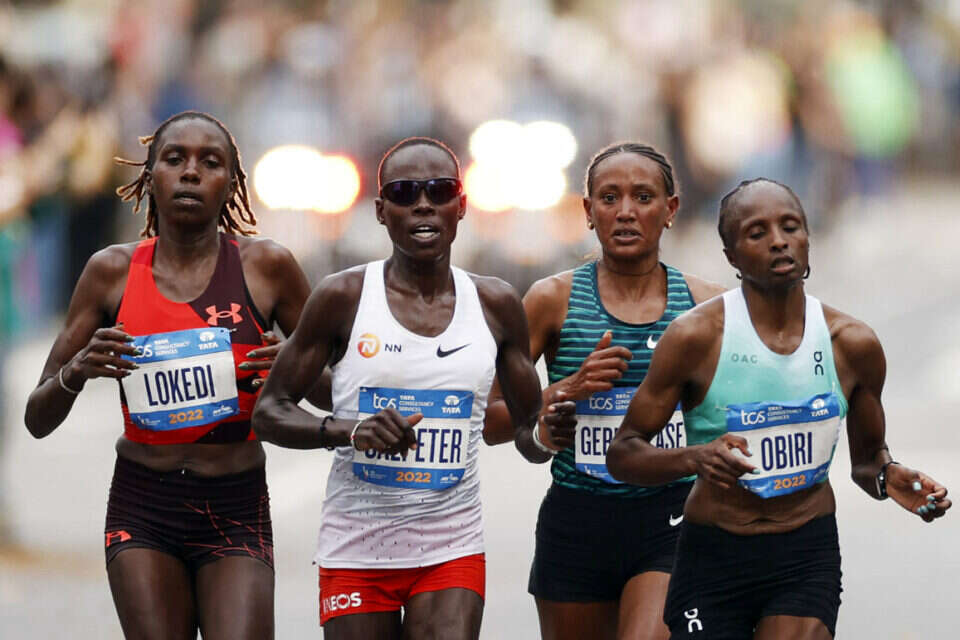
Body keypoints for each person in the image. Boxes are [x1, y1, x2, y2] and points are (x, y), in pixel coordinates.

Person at [252, 136, 572, 640]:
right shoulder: (342, 297)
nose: (423, 204)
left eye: (439, 191)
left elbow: (527, 436)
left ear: (460, 205)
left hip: (451, 548)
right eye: (404, 193)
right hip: (357, 549)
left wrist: (550, 435)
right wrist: (349, 430)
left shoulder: (495, 304)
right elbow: (270, 412)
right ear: (381, 211)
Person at [606, 178, 951, 639]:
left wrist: (889, 478)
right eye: (757, 232)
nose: (779, 241)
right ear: (731, 255)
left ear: (808, 236)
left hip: (804, 553)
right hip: (714, 554)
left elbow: (869, 462)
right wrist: (695, 458)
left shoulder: (852, 344)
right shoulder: (695, 338)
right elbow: (623, 454)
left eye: (791, 227)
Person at [24, 111, 313, 640]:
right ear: (150, 175)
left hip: (236, 503)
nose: (191, 172)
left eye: (210, 162)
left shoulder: (267, 268)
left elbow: (337, 390)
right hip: (143, 506)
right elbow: (37, 418)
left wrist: (292, 364)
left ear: (232, 184)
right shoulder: (110, 271)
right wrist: (78, 369)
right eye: (175, 159)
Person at [483, 142, 724, 640]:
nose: (626, 212)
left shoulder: (706, 306)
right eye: (610, 198)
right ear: (588, 211)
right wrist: (566, 389)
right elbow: (490, 420)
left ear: (671, 209)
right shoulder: (552, 300)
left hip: (672, 517)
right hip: (576, 523)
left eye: (643, 197)